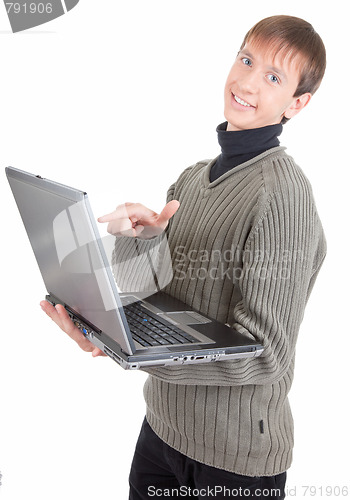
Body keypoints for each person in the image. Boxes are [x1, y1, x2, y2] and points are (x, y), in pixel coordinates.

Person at [40, 15, 327, 499]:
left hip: (235, 462)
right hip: (162, 432)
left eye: (273, 77)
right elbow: (158, 298)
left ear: (297, 104)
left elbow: (265, 354)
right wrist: (108, 307)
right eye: (246, 59)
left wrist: (134, 354)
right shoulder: (192, 179)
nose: (247, 80)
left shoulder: (281, 194)